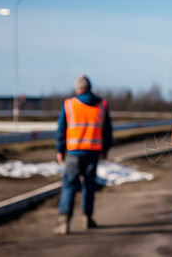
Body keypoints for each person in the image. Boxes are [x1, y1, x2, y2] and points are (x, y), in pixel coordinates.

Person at [54, 75, 113, 236]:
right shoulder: (101, 104)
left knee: (69, 185)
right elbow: (107, 129)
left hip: (73, 152)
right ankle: (87, 218)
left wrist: (60, 150)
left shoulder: (69, 104)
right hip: (93, 151)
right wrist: (106, 149)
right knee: (89, 185)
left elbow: (61, 129)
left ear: (78, 89)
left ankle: (63, 222)